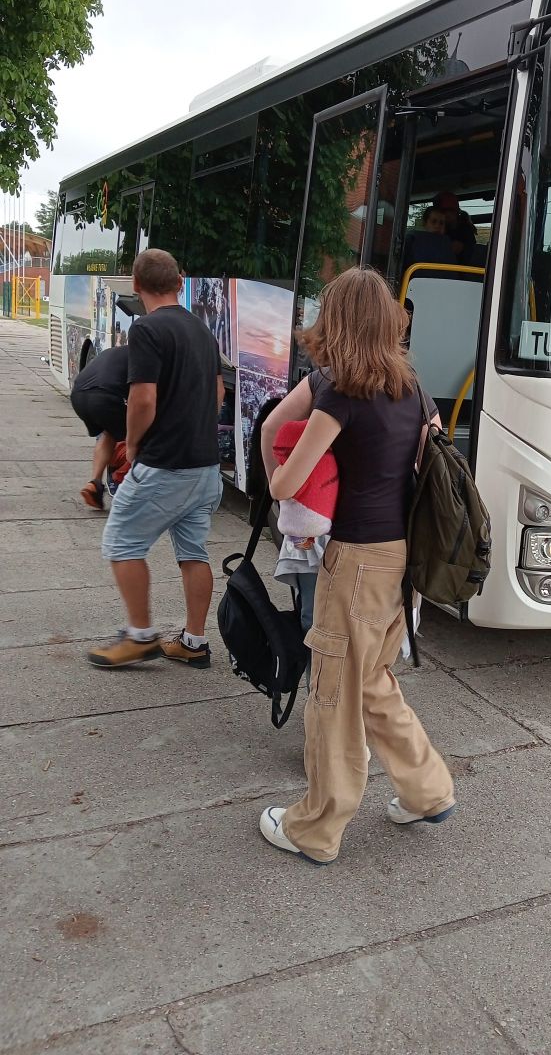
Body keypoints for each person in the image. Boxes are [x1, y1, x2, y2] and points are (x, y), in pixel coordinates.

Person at [258, 266, 455, 866]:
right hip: (400, 562)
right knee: (371, 682)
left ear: (337, 322)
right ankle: (428, 790)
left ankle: (316, 827)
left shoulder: (342, 392)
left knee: (335, 691)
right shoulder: (414, 390)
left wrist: (277, 478)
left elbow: (288, 476)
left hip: (356, 562)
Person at [87, 249, 224, 670]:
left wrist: (133, 442)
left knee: (121, 542)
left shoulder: (146, 329)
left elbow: (143, 398)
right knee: (192, 551)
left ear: (136, 285)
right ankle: (194, 641)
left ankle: (140, 635)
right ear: (180, 282)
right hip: (206, 468)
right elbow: (218, 393)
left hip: (166, 466)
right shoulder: (202, 330)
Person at [69, 345, 130, 509]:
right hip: (105, 397)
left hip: (78, 395)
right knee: (142, 437)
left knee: (108, 434)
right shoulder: (145, 356)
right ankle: (123, 483)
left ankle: (95, 483)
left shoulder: (116, 351)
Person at [433, 190, 477, 260]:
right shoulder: (437, 232)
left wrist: (462, 248)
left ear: (455, 211)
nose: (443, 215)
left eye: (444, 211)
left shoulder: (465, 232)